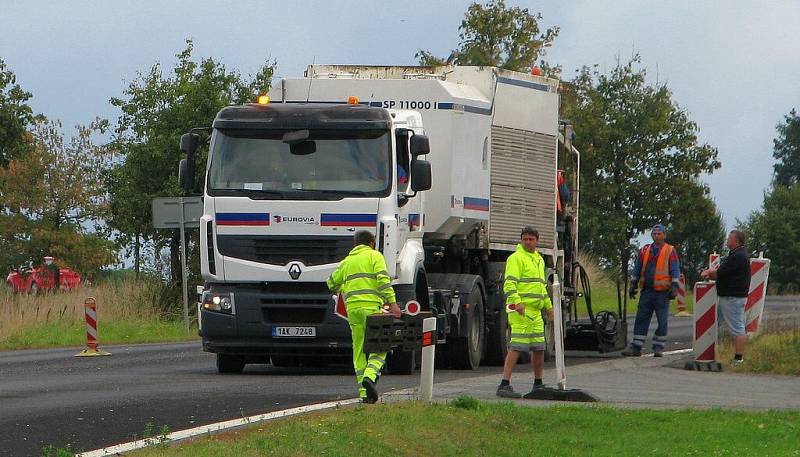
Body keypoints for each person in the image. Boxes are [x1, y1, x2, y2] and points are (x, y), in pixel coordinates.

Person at [326, 231, 402, 403]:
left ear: (355, 244)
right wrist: (393, 304)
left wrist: (340, 289)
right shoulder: (375, 256)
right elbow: (383, 280)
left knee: (359, 349)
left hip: (353, 311)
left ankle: (364, 393)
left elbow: (330, 283)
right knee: (381, 345)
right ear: (372, 242)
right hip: (372, 310)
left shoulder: (347, 261)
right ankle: (370, 376)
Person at [496, 226, 554, 398]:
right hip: (520, 311)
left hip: (536, 312)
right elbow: (509, 284)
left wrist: (549, 307)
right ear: (521, 240)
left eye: (531, 239)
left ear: (537, 241)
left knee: (539, 348)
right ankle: (504, 384)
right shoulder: (516, 258)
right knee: (517, 346)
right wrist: (517, 302)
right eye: (525, 239)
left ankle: (538, 383)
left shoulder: (539, 259)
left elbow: (541, 287)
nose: (528, 242)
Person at [622, 224, 681, 357]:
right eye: (654, 234)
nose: (656, 236)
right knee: (641, 319)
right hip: (647, 291)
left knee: (662, 321)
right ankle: (636, 347)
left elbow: (675, 270)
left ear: (664, 235)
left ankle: (658, 347)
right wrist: (633, 284)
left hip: (662, 292)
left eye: (659, 234)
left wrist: (674, 287)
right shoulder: (644, 250)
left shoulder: (670, 250)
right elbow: (637, 268)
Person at [700, 229, 751, 366]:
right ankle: (711, 351)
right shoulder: (737, 255)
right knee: (717, 322)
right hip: (731, 297)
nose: (727, 240)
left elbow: (721, 273)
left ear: (736, 241)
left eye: (729, 238)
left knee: (737, 328)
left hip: (732, 298)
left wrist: (709, 272)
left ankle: (738, 359)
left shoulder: (737, 257)